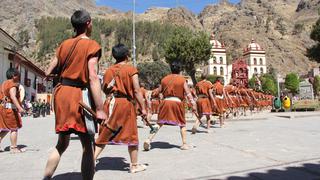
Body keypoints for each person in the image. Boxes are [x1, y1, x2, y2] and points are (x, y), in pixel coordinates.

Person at [43, 10, 106, 180]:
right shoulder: (92, 45)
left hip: (62, 94)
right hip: (79, 96)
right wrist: (100, 109)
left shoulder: (64, 44)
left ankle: (46, 177)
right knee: (88, 145)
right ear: (88, 23)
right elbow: (93, 76)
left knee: (62, 144)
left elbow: (49, 70)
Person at [94, 44, 147, 173]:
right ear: (127, 55)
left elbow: (104, 88)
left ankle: (91, 159)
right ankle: (134, 165)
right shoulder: (131, 69)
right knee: (132, 133)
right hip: (125, 104)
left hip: (110, 103)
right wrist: (143, 108)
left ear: (114, 56)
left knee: (105, 132)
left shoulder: (109, 71)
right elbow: (136, 90)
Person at [143, 60, 197, 151]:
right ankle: (184, 144)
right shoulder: (182, 80)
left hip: (166, 102)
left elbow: (158, 91)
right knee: (182, 124)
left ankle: (148, 139)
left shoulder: (164, 79)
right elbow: (188, 94)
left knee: (159, 123)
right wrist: (193, 105)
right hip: (177, 103)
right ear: (179, 69)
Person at [0, 68, 26, 153]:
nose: (19, 77)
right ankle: (14, 148)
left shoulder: (4, 83)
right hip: (10, 110)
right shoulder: (12, 84)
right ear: (14, 76)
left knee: (5, 129)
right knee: (14, 128)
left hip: (3, 108)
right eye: (18, 75)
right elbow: (13, 96)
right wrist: (20, 108)